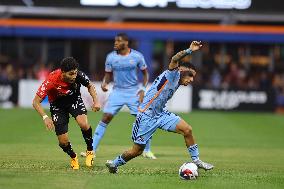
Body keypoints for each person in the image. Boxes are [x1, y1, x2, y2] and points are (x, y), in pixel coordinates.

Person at [105, 41, 214, 173]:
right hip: (146, 115)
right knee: (137, 150)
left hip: (160, 114)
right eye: (190, 75)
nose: (191, 79)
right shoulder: (173, 73)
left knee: (187, 130)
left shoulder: (178, 80)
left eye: (193, 77)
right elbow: (175, 58)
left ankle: (196, 160)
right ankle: (114, 163)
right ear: (182, 70)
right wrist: (189, 50)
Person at [81, 33, 156, 159]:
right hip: (117, 92)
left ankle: (147, 150)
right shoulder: (110, 57)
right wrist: (105, 82)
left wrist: (143, 89)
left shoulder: (137, 56)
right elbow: (108, 75)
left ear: (126, 43)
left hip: (133, 92)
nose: (115, 43)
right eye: (115, 41)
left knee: (143, 120)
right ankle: (92, 150)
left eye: (118, 41)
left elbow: (145, 75)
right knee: (106, 117)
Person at [32, 57, 101, 170]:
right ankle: (73, 157)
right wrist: (45, 117)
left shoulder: (78, 74)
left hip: (74, 100)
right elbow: (35, 102)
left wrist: (96, 101)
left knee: (83, 124)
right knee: (63, 142)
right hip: (58, 106)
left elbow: (90, 85)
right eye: (71, 74)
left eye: (75, 73)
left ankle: (90, 150)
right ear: (63, 72)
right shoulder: (51, 80)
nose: (74, 76)